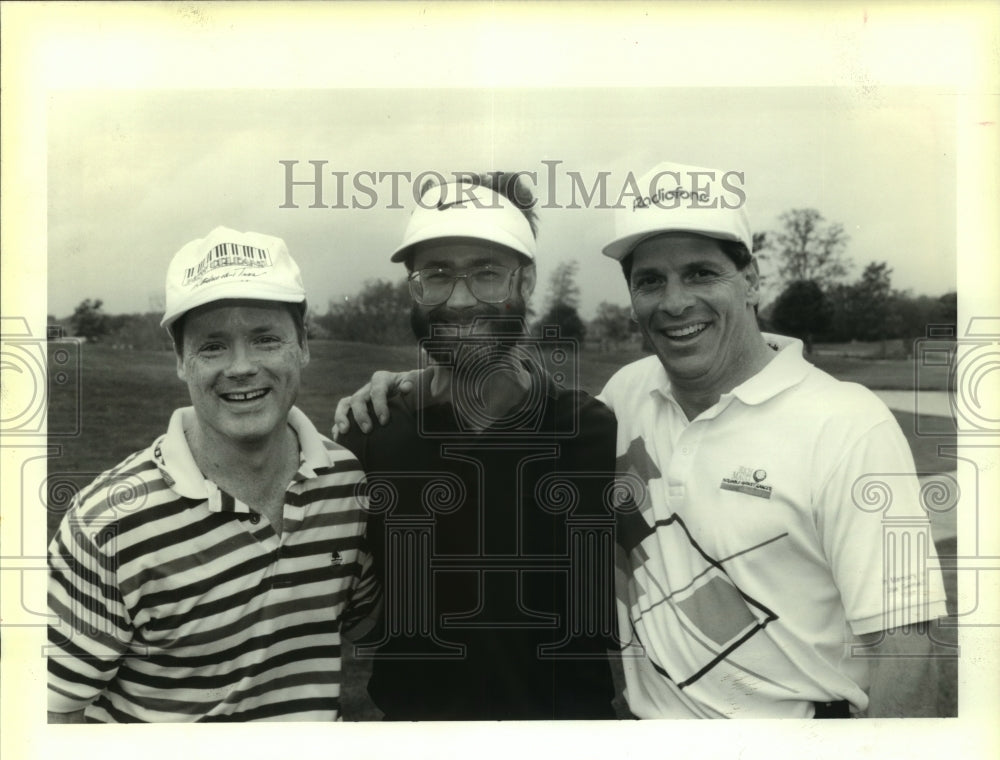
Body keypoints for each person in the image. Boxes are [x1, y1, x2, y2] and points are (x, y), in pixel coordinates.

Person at [335, 161, 948, 719]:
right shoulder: (623, 402)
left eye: (701, 272)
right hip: (630, 755)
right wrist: (416, 383)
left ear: (752, 280)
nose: (675, 301)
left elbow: (906, 644)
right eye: (651, 281)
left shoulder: (848, 424)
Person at [47, 226, 379, 723]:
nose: (242, 367)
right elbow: (53, 718)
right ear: (181, 360)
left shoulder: (346, 485)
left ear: (303, 345)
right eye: (213, 346)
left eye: (266, 339)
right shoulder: (107, 523)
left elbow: (372, 628)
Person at [335, 173, 620, 721]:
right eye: (436, 275)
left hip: (568, 757)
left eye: (487, 274)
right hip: (416, 757)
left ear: (526, 281)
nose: (460, 301)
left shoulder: (590, 431)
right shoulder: (372, 432)